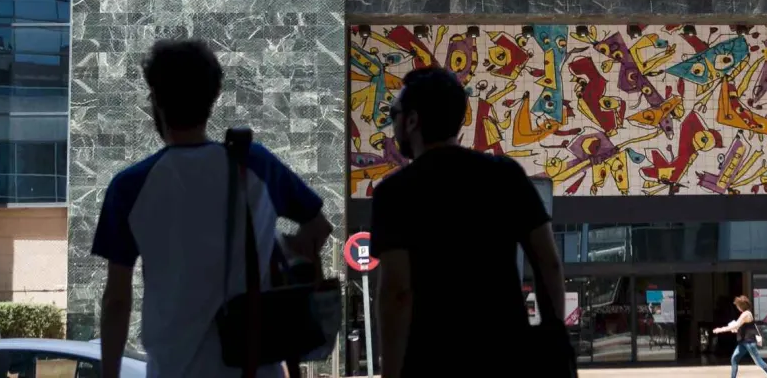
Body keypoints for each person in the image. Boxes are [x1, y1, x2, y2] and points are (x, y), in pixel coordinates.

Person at [92, 39, 333, 378]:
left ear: (156, 100)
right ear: (213, 97)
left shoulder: (129, 187)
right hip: (255, 368)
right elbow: (319, 228)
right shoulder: (254, 164)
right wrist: (280, 246)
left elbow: (117, 300)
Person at [371, 66, 565, 378]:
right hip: (506, 358)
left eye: (394, 114)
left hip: (431, 362)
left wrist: (391, 373)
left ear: (412, 120)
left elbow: (397, 292)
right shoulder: (505, 175)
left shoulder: (394, 193)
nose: (393, 123)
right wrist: (554, 339)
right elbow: (549, 263)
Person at [713, 296, 767, 378]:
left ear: (741, 306)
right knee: (734, 358)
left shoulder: (746, 314)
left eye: (738, 306)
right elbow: (739, 326)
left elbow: (736, 325)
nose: (737, 307)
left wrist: (720, 329)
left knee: (759, 361)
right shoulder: (745, 314)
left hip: (749, 342)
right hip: (743, 342)